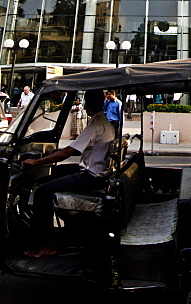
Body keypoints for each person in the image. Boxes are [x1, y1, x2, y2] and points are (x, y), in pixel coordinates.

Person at [22, 90, 115, 258]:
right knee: (53, 173)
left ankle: (47, 243)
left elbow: (68, 152)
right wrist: (49, 156)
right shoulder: (105, 122)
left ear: (87, 105)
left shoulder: (95, 125)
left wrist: (36, 162)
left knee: (42, 192)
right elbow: (75, 148)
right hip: (96, 171)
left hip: (90, 176)